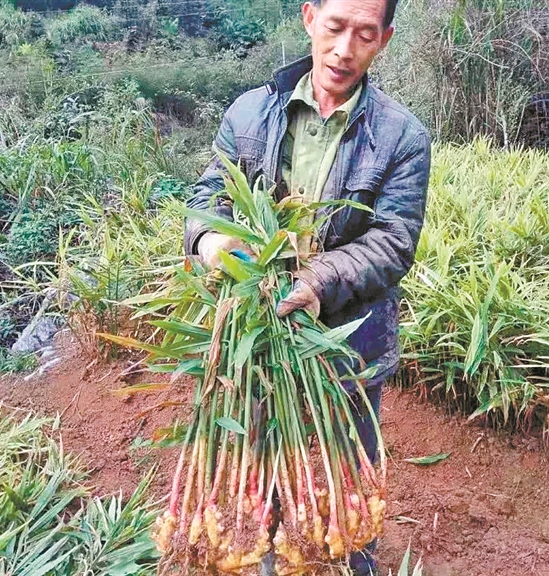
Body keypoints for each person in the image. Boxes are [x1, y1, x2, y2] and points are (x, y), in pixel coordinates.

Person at [183, 0, 431, 573]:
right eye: (335, 27)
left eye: (364, 35)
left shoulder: (401, 136)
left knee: (350, 457)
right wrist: (212, 241)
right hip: (259, 333)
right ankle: (276, 552)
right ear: (309, 18)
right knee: (267, 447)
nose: (344, 50)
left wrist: (318, 281)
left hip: (352, 339)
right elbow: (207, 197)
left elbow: (393, 242)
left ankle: (354, 554)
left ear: (385, 39)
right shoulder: (249, 113)